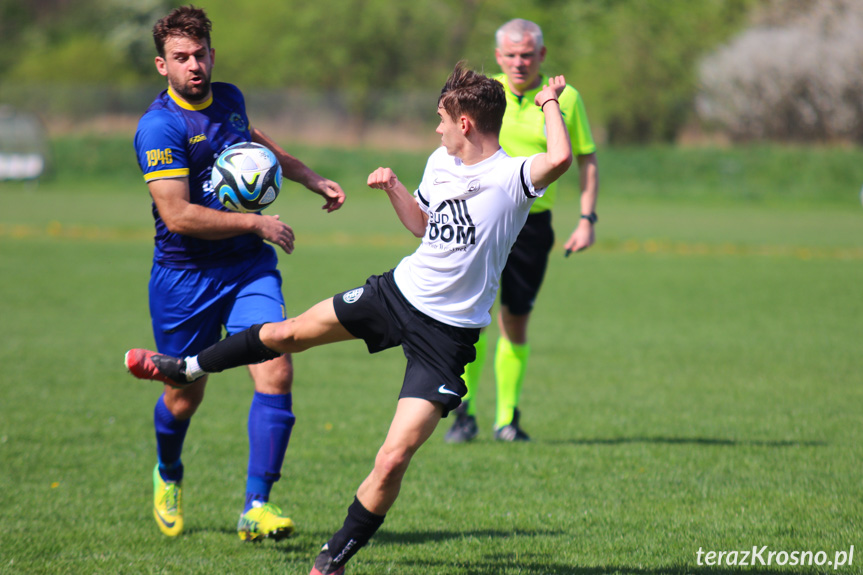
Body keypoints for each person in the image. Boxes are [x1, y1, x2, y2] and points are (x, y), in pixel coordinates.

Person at [126, 63, 572, 574]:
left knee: (392, 459)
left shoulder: (511, 176)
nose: (436, 128)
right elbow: (425, 228)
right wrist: (394, 189)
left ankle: (331, 560)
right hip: (396, 294)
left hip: (447, 338)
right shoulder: (439, 161)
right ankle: (187, 368)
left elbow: (559, 157)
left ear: (466, 123)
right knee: (289, 333)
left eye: (441, 119)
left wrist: (548, 101)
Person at [131, 5, 345, 541]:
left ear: (212, 53)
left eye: (200, 54)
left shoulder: (228, 97)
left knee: (275, 364)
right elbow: (176, 214)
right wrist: (256, 220)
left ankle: (257, 506)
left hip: (247, 267)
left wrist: (309, 177)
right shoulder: (160, 126)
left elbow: (260, 147)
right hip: (186, 278)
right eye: (181, 58)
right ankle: (169, 471)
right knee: (184, 393)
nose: (194, 65)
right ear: (163, 66)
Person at [444, 18, 599, 443]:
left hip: (531, 227)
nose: (519, 62)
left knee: (515, 320)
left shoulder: (564, 99)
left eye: (527, 54)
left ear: (542, 56)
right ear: (498, 57)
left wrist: (587, 219)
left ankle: (506, 420)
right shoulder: (482, 95)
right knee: (472, 319)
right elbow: (453, 149)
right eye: (510, 55)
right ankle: (463, 413)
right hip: (482, 219)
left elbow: (585, 158)